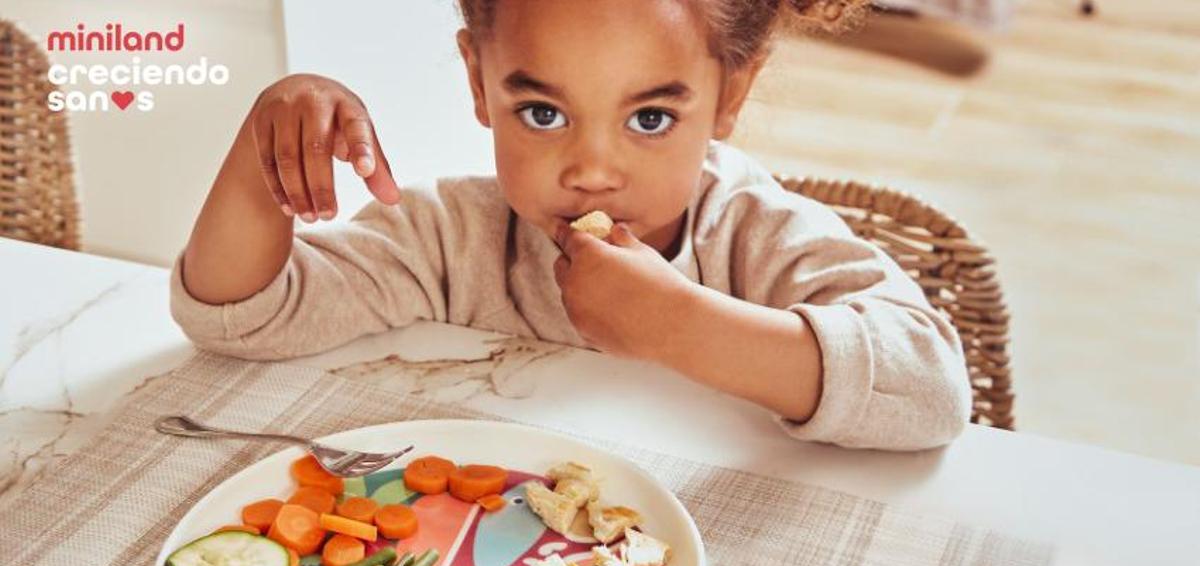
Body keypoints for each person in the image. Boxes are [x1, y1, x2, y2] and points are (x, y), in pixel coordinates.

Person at [170, 0, 971, 450]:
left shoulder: (752, 234)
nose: (592, 168)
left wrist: (679, 326)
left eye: (650, 117)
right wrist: (261, 152)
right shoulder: (451, 239)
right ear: (479, 83)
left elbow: (933, 390)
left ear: (730, 96)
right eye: (543, 112)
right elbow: (239, 317)